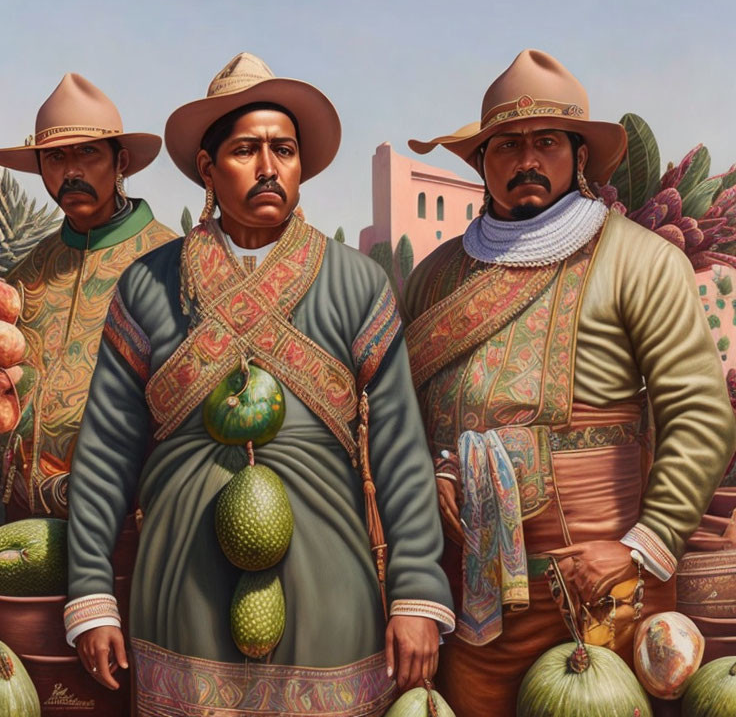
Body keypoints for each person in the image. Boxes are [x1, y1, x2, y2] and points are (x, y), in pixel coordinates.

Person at [64, 52, 454, 716]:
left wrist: (417, 590)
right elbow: (105, 451)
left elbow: (399, 448)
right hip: (181, 587)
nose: (270, 167)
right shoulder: (149, 285)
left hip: (333, 588)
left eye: (285, 150)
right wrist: (92, 594)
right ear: (209, 170)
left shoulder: (357, 283)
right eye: (247, 150)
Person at [403, 49, 736, 715]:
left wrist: (640, 547)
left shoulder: (640, 260)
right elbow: (402, 414)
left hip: (599, 583)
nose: (527, 159)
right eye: (507, 145)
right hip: (469, 592)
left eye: (547, 142)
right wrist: (438, 466)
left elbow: (698, 414)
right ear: (481, 161)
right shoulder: (435, 276)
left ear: (579, 156)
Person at [0, 73, 175, 521]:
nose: (71, 172)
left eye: (87, 154)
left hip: (137, 524)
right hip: (20, 528)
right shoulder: (23, 278)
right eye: (55, 158)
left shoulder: (172, 262)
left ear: (121, 163)